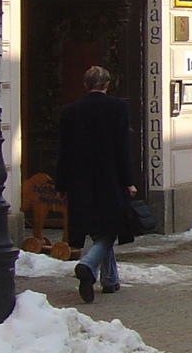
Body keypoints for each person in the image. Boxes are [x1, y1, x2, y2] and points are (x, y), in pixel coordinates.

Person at [53, 66, 136, 303]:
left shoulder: (70, 112)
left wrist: (61, 185)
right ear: (107, 85)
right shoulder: (117, 108)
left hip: (80, 181)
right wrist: (128, 181)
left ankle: (110, 281)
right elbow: (123, 148)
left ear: (85, 85)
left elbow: (64, 152)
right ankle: (88, 266)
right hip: (109, 180)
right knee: (111, 229)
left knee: (100, 229)